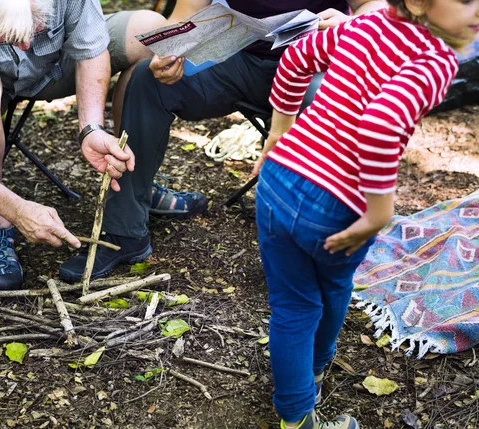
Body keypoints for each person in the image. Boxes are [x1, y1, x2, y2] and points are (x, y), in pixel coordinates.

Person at [251, 0, 476, 426]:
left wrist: (279, 131)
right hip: (335, 205)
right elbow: (381, 123)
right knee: (332, 288)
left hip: (278, 182)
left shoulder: (367, 20)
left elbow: (298, 56)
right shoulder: (435, 59)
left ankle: (295, 414)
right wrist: (379, 212)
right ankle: (314, 372)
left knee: (292, 304)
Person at [59, 0, 387, 281]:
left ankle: (316, 246)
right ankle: (124, 231)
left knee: (344, 102)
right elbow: (185, 17)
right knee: (145, 79)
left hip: (316, 66)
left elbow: (376, 7)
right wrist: (171, 54)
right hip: (236, 56)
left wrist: (354, 24)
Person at [0, 0, 167, 290]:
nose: (25, 44)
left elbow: (91, 48)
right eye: (8, 35)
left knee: (151, 32)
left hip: (53, 65)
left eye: (38, 26)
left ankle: (134, 190)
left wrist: (91, 128)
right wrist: (17, 210)